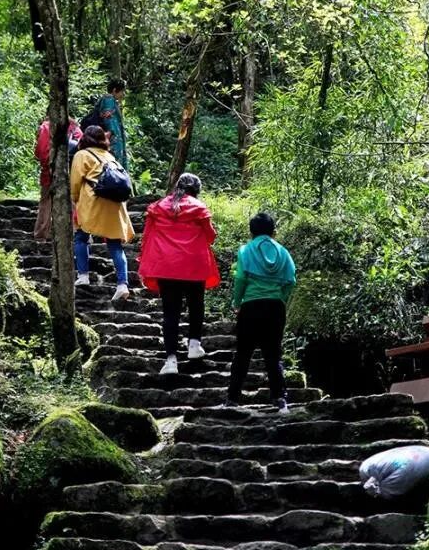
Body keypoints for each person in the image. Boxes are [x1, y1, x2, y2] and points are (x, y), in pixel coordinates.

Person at [138, 173, 222, 376]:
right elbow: (210, 236)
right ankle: (194, 344)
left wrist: (144, 262)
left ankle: (171, 361)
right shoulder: (199, 208)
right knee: (196, 304)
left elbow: (146, 237)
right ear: (196, 191)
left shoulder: (158, 207)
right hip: (194, 264)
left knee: (170, 313)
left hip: (166, 265)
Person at [225, 212, 296, 413]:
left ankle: (232, 399)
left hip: (251, 306)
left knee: (243, 354)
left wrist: (237, 302)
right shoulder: (283, 252)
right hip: (275, 308)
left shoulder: (246, 250)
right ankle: (280, 399)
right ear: (273, 232)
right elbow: (291, 280)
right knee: (273, 354)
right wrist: (280, 297)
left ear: (251, 232)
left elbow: (240, 279)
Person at [70, 126, 135, 302]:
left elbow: (75, 183)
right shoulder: (109, 156)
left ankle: (83, 275)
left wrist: (75, 201)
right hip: (114, 204)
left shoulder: (81, 155)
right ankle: (123, 284)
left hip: (93, 201)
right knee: (114, 243)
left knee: (81, 237)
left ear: (85, 138)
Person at [33, 117, 82, 240]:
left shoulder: (46, 126)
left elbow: (41, 150)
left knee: (46, 201)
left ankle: (42, 233)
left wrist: (46, 163)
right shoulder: (75, 128)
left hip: (50, 170)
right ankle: (76, 233)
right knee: (73, 201)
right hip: (72, 170)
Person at [97, 79, 128, 170]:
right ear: (115, 90)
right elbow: (109, 119)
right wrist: (111, 133)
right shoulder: (109, 99)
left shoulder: (111, 100)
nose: (123, 94)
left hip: (114, 137)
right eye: (122, 91)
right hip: (113, 139)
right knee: (114, 165)